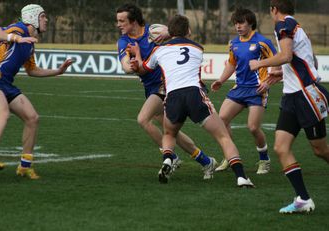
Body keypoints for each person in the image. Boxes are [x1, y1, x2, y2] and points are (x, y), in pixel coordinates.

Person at [131, 14, 255, 187]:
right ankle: (241, 177)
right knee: (223, 136)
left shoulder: (158, 51)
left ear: (170, 31)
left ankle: (168, 158)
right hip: (195, 95)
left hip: (173, 96)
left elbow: (143, 69)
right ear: (188, 30)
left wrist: (137, 54)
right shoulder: (198, 48)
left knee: (169, 133)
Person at [116, 3, 218, 180]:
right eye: (117, 21)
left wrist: (168, 33)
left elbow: (181, 34)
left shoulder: (154, 30)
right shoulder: (124, 41)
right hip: (151, 88)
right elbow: (125, 66)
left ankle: (170, 157)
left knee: (143, 119)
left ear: (133, 21)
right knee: (171, 132)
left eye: (122, 21)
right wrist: (132, 66)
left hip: (167, 84)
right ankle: (206, 161)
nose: (118, 24)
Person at [249, 0, 329, 214]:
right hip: (291, 97)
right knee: (280, 147)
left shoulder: (283, 24)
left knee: (320, 150)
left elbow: (286, 56)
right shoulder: (292, 25)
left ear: (273, 9)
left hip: (306, 96)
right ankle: (303, 199)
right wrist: (279, 74)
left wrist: (260, 64)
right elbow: (296, 60)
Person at [0, 4, 73, 179]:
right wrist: (16, 39)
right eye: (43, 16)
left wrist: (58, 71)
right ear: (33, 17)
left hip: (6, 84)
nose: (46, 20)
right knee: (3, 114)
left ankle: (25, 166)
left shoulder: (30, 43)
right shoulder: (20, 29)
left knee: (32, 118)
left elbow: (32, 71)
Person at [211, 8, 277, 174]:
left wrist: (268, 83)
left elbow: (277, 64)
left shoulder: (263, 42)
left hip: (257, 89)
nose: (238, 26)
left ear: (251, 23)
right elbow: (232, 64)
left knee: (253, 127)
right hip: (239, 88)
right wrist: (221, 80)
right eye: (235, 23)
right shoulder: (234, 43)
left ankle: (264, 159)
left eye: (241, 23)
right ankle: (230, 155)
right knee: (221, 120)